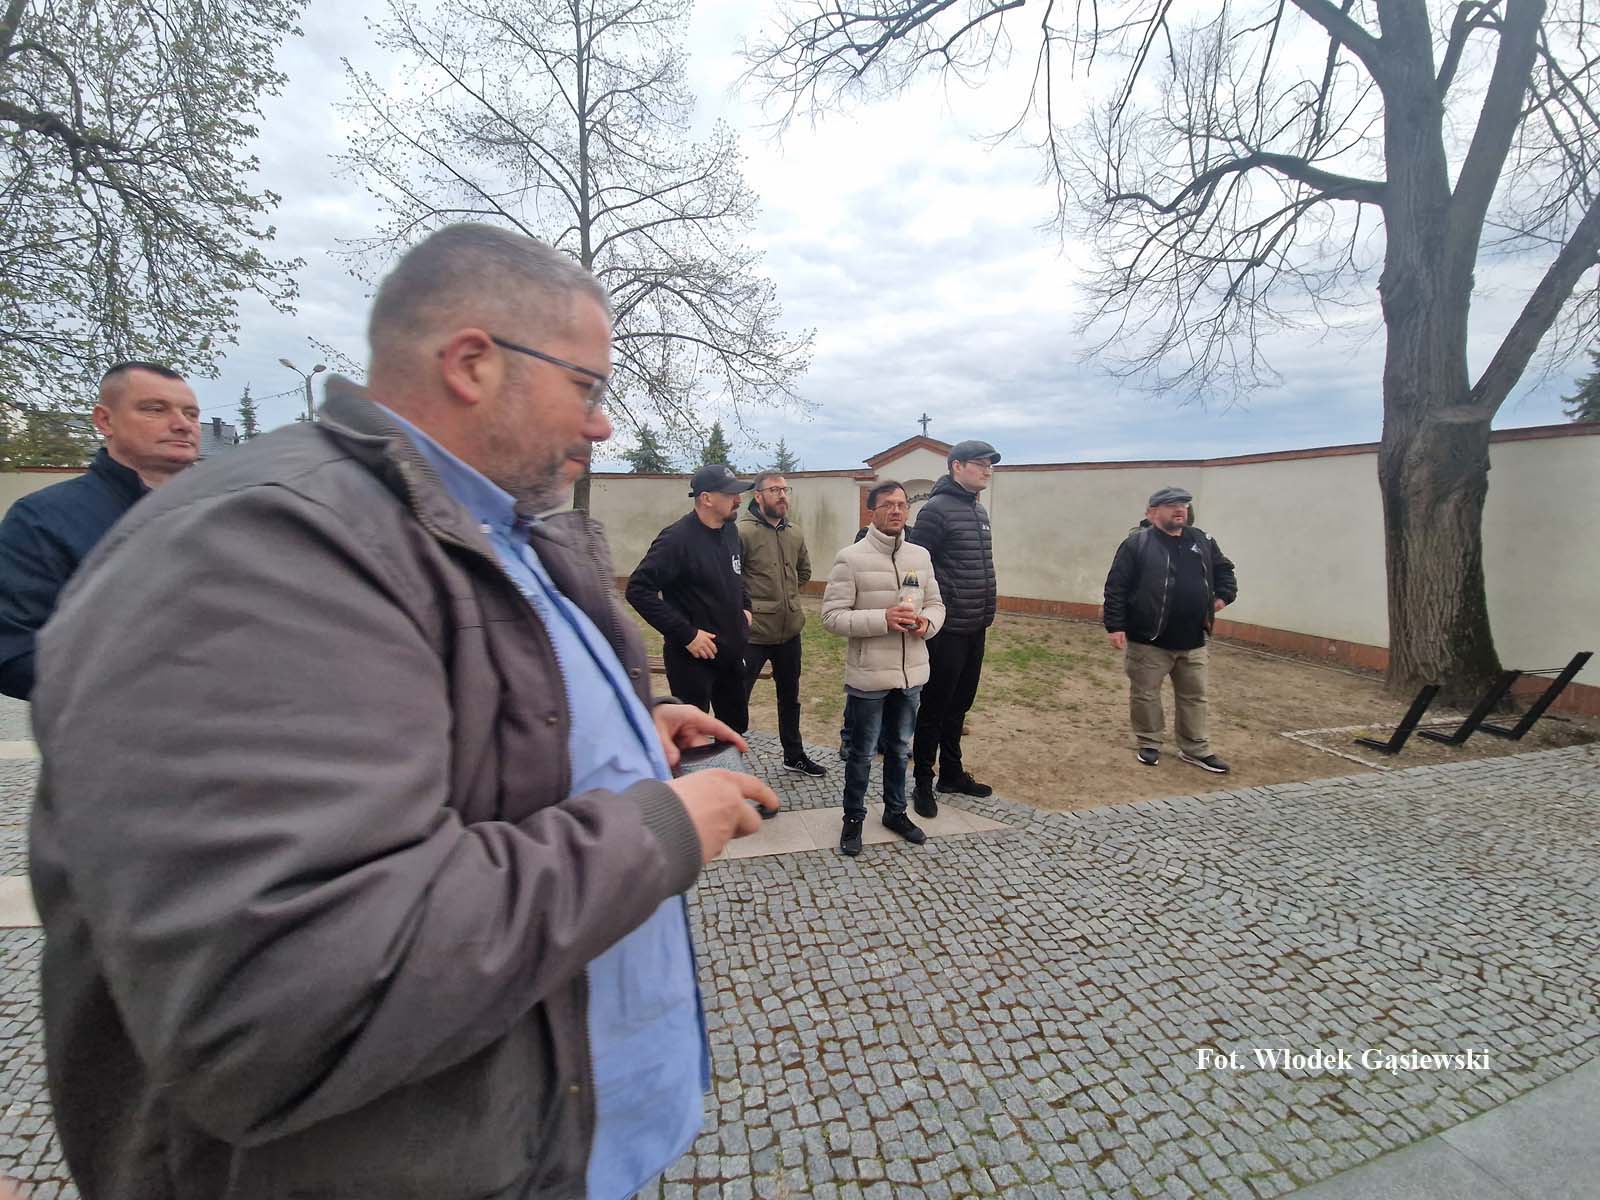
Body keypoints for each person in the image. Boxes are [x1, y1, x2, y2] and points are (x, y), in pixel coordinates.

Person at [28, 223, 779, 1200]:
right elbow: (288, 992)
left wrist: (630, 728)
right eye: (587, 387)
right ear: (472, 363)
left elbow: (472, 710)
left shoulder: (489, 521)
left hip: (553, 1138)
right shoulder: (261, 545)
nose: (602, 427)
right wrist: (660, 830)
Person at [0, 361, 199, 699]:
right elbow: (15, 651)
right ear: (105, 420)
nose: (182, 424)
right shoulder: (43, 519)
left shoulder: (232, 510)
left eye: (191, 414)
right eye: (155, 409)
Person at [821, 481, 945, 856]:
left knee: (899, 749)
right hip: (870, 674)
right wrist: (882, 619)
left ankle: (895, 812)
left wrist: (927, 623)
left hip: (911, 674)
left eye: (902, 504)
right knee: (861, 753)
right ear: (871, 510)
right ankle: (853, 818)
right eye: (888, 504)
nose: (896, 511)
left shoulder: (920, 555)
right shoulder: (851, 558)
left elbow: (937, 603)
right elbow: (831, 617)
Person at [1103, 484, 1238, 772]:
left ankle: (1195, 748)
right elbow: (1116, 586)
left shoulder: (1202, 540)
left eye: (1184, 505)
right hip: (1149, 640)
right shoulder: (1137, 545)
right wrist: (1115, 626)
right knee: (1146, 694)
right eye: (1172, 505)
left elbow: (1224, 570)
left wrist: (1224, 596)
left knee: (1194, 696)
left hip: (1194, 639)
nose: (1180, 510)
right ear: (1152, 513)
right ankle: (1149, 741)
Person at [907, 438, 1001, 816]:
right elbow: (915, 566)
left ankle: (951, 773)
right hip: (947, 628)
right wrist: (914, 611)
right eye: (980, 463)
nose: (987, 470)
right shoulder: (935, 510)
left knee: (960, 705)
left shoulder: (978, 510)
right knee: (934, 707)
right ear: (956, 466)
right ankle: (922, 781)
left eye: (990, 465)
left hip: (976, 624)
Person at [627, 463, 754, 733]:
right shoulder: (676, 540)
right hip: (692, 660)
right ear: (706, 498)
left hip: (731, 654)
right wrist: (686, 634)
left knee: (734, 731)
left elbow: (735, 574)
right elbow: (638, 590)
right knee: (692, 737)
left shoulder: (730, 531)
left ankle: (728, 763)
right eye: (731, 494)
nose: (739, 499)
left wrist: (745, 607)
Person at [738, 471, 825, 777]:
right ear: (758, 495)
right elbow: (732, 579)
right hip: (753, 634)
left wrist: (785, 599)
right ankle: (728, 760)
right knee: (737, 699)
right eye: (774, 490)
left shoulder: (794, 532)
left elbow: (804, 571)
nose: (782, 495)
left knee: (790, 698)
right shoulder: (741, 533)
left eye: (785, 489)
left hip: (790, 632)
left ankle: (794, 755)